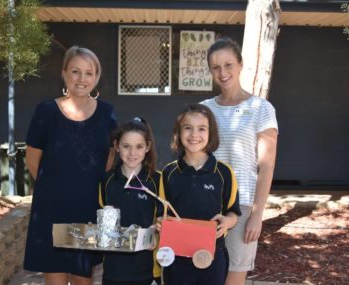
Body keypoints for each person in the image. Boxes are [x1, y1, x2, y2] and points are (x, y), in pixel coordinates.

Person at [24, 46, 117, 285]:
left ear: (97, 77)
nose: (82, 78)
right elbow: (33, 161)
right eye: (75, 71)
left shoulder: (107, 113)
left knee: (83, 280)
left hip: (87, 211)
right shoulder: (46, 111)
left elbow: (108, 160)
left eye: (89, 72)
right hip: (51, 211)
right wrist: (56, 191)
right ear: (64, 73)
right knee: (54, 279)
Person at [201, 37, 278, 285]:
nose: (222, 73)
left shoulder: (261, 109)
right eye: (216, 67)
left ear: (240, 64)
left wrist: (257, 214)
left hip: (241, 205)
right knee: (201, 272)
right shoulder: (203, 110)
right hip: (204, 204)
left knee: (233, 278)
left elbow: (266, 166)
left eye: (228, 65)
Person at [159, 103, 241, 285]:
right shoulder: (168, 173)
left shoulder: (224, 172)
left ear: (211, 133)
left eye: (201, 129)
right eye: (188, 128)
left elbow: (233, 212)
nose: (194, 135)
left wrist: (227, 222)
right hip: (177, 256)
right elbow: (161, 214)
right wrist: (160, 223)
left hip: (212, 255)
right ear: (178, 133)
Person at [99, 117, 162, 285]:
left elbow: (165, 219)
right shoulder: (107, 180)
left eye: (139, 147)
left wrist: (155, 230)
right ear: (117, 146)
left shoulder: (157, 180)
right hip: (114, 270)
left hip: (147, 268)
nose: (132, 153)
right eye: (126, 146)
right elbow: (102, 218)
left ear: (147, 147)